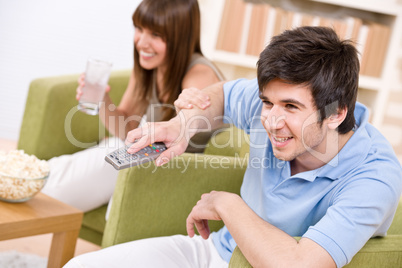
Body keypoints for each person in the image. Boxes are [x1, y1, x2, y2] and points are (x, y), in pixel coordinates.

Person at [64, 26, 402, 267]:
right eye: (267, 102)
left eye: (291, 107)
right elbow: (222, 95)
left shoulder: (374, 176)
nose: (271, 120)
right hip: (212, 253)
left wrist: (227, 205)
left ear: (336, 112)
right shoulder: (270, 108)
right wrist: (180, 126)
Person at [41, 0, 225, 212]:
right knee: (63, 169)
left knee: (102, 162)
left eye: (156, 35)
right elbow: (126, 129)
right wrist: (103, 101)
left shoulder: (199, 75)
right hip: (149, 160)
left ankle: (37, 192)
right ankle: (28, 180)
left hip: (181, 172)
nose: (142, 42)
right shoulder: (150, 67)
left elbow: (183, 131)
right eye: (139, 28)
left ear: (180, 38)